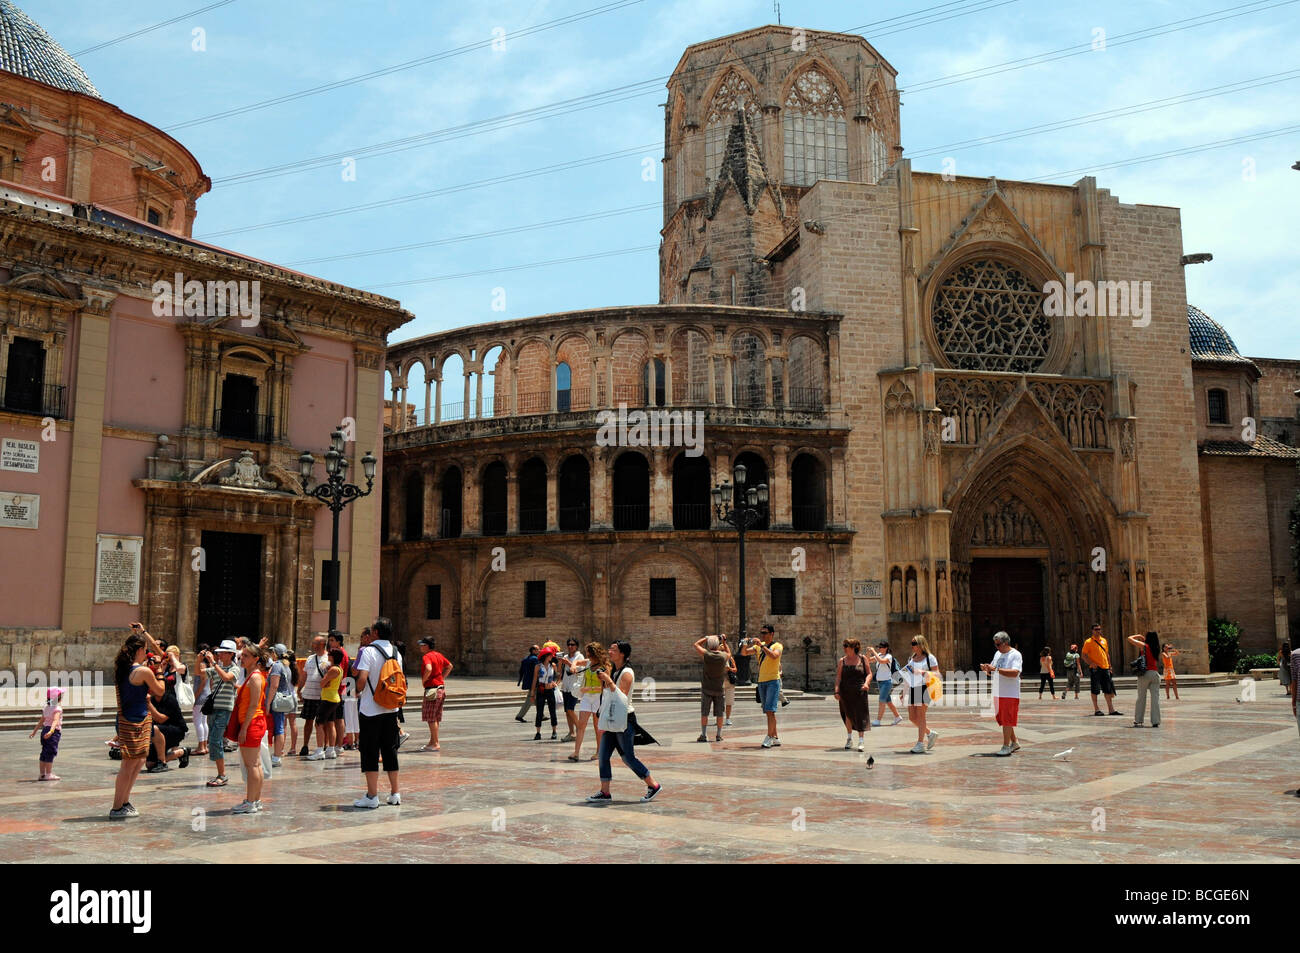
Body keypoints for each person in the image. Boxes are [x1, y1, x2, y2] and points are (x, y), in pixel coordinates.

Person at [586, 641, 662, 803]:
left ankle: (653, 785)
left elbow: (622, 696)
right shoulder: (614, 670)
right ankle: (605, 792)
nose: (609, 651)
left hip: (624, 719)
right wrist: (605, 680)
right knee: (604, 755)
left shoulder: (627, 672)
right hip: (612, 719)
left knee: (628, 757)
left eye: (613, 649)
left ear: (622, 654)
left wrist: (609, 680)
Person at [110, 624, 167, 819]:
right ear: (140, 651)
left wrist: (142, 634)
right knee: (129, 764)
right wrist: (159, 670)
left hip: (132, 718)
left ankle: (124, 801)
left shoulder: (123, 668)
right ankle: (117, 806)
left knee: (138, 761)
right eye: (145, 650)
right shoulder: (143, 672)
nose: (147, 654)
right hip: (134, 721)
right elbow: (160, 691)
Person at [352, 617, 404, 808]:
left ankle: (372, 796)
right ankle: (395, 793)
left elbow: (362, 678)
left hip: (370, 710)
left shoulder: (368, 651)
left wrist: (357, 691)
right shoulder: (397, 652)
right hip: (391, 708)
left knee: (370, 751)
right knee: (390, 751)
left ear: (375, 633)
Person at [231, 643, 268, 814]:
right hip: (255, 721)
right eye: (242, 655)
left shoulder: (254, 677)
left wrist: (244, 728)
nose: (242, 658)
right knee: (256, 764)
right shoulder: (254, 676)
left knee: (251, 765)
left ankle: (250, 801)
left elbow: (253, 705)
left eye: (246, 656)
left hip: (252, 722)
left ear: (256, 659)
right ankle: (256, 800)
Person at [203, 641, 240, 787]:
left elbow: (226, 677)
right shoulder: (216, 668)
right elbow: (199, 673)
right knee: (212, 740)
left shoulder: (234, 668)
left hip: (225, 708)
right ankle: (220, 773)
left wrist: (213, 663)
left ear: (231, 654)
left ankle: (222, 775)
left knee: (215, 740)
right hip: (213, 708)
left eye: (224, 652)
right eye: (219, 652)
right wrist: (201, 659)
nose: (220, 654)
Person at [145, 654, 190, 772]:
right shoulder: (154, 699)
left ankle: (162, 763)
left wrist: (148, 704)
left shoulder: (169, 699)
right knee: (149, 764)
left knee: (155, 728)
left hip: (176, 731)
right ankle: (182, 752)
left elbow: (160, 719)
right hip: (160, 732)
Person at [742, 624, 783, 748]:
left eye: (765, 633)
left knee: (770, 710)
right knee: (768, 711)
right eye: (761, 633)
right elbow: (744, 653)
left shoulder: (777, 646)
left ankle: (769, 737)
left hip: (773, 681)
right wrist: (745, 642)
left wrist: (762, 645)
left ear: (772, 634)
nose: (762, 635)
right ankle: (775, 737)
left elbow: (774, 656)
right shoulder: (758, 647)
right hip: (761, 681)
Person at [981, 632, 1022, 756]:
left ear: (1005, 643)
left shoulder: (1015, 654)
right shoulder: (998, 654)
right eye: (995, 644)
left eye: (998, 644)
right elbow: (993, 671)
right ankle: (1014, 742)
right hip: (998, 691)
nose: (996, 647)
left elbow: (1015, 672)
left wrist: (996, 670)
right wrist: (987, 669)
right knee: (1003, 719)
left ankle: (1006, 746)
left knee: (1007, 720)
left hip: (1010, 692)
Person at [902, 636, 941, 754]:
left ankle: (920, 744)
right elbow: (907, 675)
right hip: (913, 687)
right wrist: (903, 691)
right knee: (912, 717)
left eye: (914, 643)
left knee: (921, 715)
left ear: (920, 644)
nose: (912, 645)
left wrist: (923, 672)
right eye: (912, 643)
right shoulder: (911, 658)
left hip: (925, 688)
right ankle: (930, 733)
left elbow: (937, 674)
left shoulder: (930, 658)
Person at [570, 641, 605, 762]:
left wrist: (589, 688)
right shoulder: (588, 663)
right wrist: (573, 665)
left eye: (589, 654)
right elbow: (577, 661)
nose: (587, 656)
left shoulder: (604, 667)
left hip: (598, 698)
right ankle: (576, 753)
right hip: (586, 697)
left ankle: (599, 752)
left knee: (597, 726)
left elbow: (605, 687)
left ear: (595, 653)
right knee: (581, 724)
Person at [835, 638, 872, 753]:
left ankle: (861, 741)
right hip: (845, 691)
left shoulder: (862, 659)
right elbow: (838, 677)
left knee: (861, 715)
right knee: (848, 715)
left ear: (853, 647)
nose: (844, 648)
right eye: (844, 646)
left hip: (860, 690)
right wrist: (836, 690)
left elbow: (869, 673)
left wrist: (866, 683)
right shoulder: (842, 660)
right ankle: (849, 738)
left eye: (846, 646)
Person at [308, 649, 345, 760]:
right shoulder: (339, 668)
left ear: (333, 657)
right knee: (330, 723)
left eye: (329, 654)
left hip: (328, 699)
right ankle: (331, 750)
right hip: (333, 698)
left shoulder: (333, 669)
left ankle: (319, 751)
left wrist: (325, 682)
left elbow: (322, 683)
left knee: (318, 724)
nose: (327, 655)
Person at [418, 636, 452, 751]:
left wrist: (424, 680)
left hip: (432, 690)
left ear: (427, 646)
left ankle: (436, 743)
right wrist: (442, 678)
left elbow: (428, 668)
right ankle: (432, 742)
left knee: (431, 718)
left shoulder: (427, 656)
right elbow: (449, 666)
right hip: (441, 689)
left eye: (422, 645)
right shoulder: (439, 655)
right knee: (435, 717)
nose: (420, 647)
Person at [694, 635, 729, 743]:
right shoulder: (723, 656)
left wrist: (706, 637)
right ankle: (718, 735)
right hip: (719, 688)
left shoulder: (706, 655)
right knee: (719, 713)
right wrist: (724, 641)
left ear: (709, 645)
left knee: (705, 712)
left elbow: (696, 644)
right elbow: (729, 653)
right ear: (718, 645)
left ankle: (703, 735)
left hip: (707, 688)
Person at [1081, 624, 1122, 716]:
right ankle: (1096, 709)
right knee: (1095, 689)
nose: (1098, 631)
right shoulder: (1088, 642)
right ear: (1092, 630)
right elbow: (1083, 655)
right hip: (1096, 669)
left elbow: (1107, 654)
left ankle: (1111, 709)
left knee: (1107, 689)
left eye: (1099, 629)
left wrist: (1110, 666)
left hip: (1105, 668)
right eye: (1096, 629)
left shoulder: (1104, 640)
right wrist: (1091, 663)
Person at [298, 634, 328, 755]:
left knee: (322, 723)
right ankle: (305, 745)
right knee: (308, 721)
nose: (312, 646)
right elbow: (304, 675)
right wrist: (300, 689)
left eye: (314, 644)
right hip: (309, 694)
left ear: (321, 645)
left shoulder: (328, 658)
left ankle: (324, 745)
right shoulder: (310, 658)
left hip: (322, 696)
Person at [265, 644, 294, 767]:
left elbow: (274, 685)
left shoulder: (277, 666)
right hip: (283, 700)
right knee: (280, 726)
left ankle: (276, 757)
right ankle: (277, 755)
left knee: (278, 728)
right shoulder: (286, 665)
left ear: (275, 653)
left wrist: (268, 703)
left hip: (276, 701)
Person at [1129, 631, 1161, 728]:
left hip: (1145, 674)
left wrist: (1138, 636)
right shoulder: (1156, 648)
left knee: (1141, 697)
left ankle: (1138, 720)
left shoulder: (1144, 646)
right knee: (1155, 699)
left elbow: (1129, 638)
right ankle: (1156, 721)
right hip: (1155, 674)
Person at [31, 687, 64, 780]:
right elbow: (55, 720)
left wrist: (34, 731)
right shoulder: (57, 709)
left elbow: (41, 721)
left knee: (44, 752)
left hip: (44, 731)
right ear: (58, 698)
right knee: (50, 752)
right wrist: (52, 731)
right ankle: (48, 774)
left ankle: (42, 774)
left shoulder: (46, 708)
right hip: (52, 733)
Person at [329, 630, 354, 750]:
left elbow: (341, 672)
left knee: (338, 719)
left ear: (338, 642)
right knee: (337, 718)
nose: (330, 643)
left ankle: (339, 745)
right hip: (338, 689)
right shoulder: (340, 652)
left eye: (332, 640)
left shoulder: (341, 654)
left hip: (338, 689)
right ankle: (337, 744)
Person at [868, 640, 902, 726]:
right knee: (888, 701)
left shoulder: (889, 656)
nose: (879, 649)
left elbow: (881, 661)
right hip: (880, 682)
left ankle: (878, 720)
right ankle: (897, 717)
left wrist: (874, 652)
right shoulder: (879, 655)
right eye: (878, 647)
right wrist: (869, 652)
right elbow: (868, 660)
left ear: (886, 648)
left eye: (880, 647)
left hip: (887, 682)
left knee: (881, 700)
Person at [558, 639, 585, 743]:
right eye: (568, 644)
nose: (570, 646)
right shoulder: (565, 657)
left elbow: (578, 671)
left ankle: (580, 729)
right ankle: (571, 733)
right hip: (566, 686)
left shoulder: (580, 657)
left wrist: (569, 663)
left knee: (570, 709)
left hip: (574, 687)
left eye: (572, 644)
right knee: (567, 712)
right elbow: (559, 671)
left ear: (577, 646)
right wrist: (560, 663)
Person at [532, 646, 560, 741]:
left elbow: (558, 676)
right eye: (550, 655)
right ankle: (538, 732)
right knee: (539, 711)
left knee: (552, 711)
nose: (552, 657)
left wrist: (555, 683)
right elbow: (535, 679)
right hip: (541, 689)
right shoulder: (538, 666)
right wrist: (532, 693)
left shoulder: (553, 666)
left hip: (550, 690)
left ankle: (554, 731)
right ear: (545, 656)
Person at [192, 644, 212, 756]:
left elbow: (203, 681)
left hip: (201, 695)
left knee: (198, 721)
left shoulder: (202, 664)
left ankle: (201, 746)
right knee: (203, 721)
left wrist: (195, 696)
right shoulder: (208, 664)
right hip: (206, 694)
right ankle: (203, 745)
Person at [515, 644, 540, 722]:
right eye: (537, 649)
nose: (539, 651)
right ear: (533, 650)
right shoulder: (535, 659)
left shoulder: (525, 659)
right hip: (534, 682)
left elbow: (521, 671)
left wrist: (520, 680)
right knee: (530, 699)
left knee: (536, 699)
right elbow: (537, 672)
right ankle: (519, 716)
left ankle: (541, 715)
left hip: (528, 681)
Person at [720, 634, 737, 726]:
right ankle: (719, 718)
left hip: (729, 682)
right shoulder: (716, 659)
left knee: (729, 702)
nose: (722, 651)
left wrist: (729, 669)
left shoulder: (730, 659)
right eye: (721, 649)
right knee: (719, 702)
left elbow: (735, 669)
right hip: (720, 682)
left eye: (724, 649)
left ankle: (728, 718)